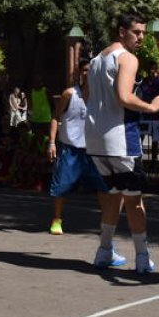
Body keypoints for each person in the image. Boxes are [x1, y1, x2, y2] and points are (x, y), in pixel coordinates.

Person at [84, 12, 159, 274]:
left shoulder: (97, 60)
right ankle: (142, 257)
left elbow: (87, 94)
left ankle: (104, 251)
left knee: (112, 197)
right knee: (134, 200)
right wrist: (152, 106)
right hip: (121, 138)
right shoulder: (127, 58)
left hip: (96, 139)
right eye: (137, 32)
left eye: (143, 32)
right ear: (122, 31)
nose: (142, 37)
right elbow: (124, 96)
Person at [47, 62, 110, 235]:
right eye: (84, 70)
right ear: (79, 73)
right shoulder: (69, 94)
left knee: (102, 186)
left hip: (93, 150)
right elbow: (55, 117)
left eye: (91, 71)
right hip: (71, 149)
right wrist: (52, 142)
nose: (87, 74)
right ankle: (57, 219)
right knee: (62, 185)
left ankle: (107, 223)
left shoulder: (101, 97)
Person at [138, 66, 159, 169]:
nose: (151, 71)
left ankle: (154, 162)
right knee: (140, 138)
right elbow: (139, 95)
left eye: (153, 69)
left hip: (157, 116)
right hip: (144, 115)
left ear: (156, 70)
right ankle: (139, 161)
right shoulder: (143, 82)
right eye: (149, 69)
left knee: (155, 140)